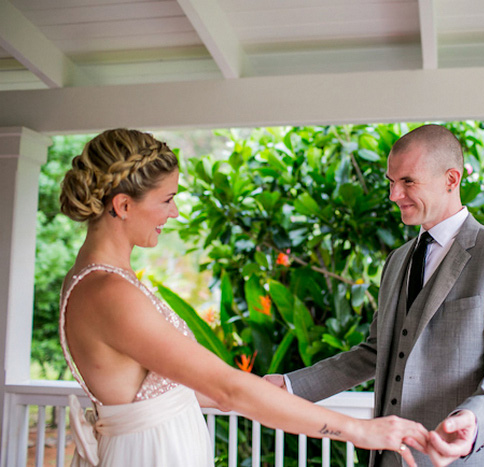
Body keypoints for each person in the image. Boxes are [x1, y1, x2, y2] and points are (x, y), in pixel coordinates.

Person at [58, 128, 429, 467]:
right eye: (167, 200)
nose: (173, 212)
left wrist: (270, 389)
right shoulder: (108, 292)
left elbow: (182, 392)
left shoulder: (106, 283)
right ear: (123, 206)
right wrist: (361, 431)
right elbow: (227, 389)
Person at [264, 124, 484, 466]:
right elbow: (375, 352)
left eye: (408, 181)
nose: (394, 195)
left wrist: (474, 419)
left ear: (451, 179)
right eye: (391, 182)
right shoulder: (397, 261)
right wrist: (289, 386)